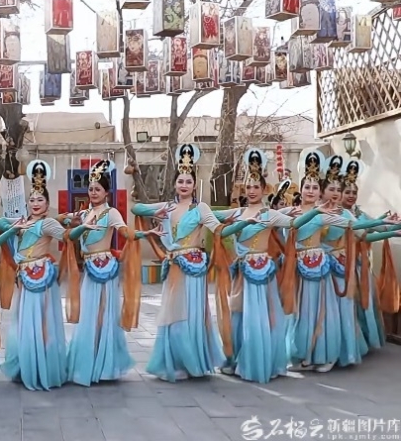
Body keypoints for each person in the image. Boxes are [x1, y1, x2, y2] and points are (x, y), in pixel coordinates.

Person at [131, 145, 251, 382]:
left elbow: (219, 230)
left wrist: (244, 223)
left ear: (195, 185)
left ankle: (192, 361)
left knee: (192, 314)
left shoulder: (200, 209)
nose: (184, 185)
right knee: (172, 313)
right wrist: (157, 212)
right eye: (180, 181)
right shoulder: (168, 207)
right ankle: (176, 361)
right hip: (175, 267)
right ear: (175, 184)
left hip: (194, 269)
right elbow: (137, 208)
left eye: (188, 181)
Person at [212, 149, 320, 383]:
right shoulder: (238, 212)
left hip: (262, 272)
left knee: (260, 317)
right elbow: (212, 217)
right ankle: (235, 359)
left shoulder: (270, 214)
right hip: (242, 272)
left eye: (255, 187)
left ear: (264, 189)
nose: (251, 190)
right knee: (237, 314)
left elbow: (294, 223)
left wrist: (316, 211)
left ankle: (258, 362)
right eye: (248, 187)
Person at [285, 151, 396, 373]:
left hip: (328, 268)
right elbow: (272, 221)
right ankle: (308, 355)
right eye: (308, 187)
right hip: (303, 268)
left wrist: (388, 226)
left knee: (329, 313)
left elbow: (358, 229)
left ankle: (329, 354)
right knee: (303, 314)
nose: (336, 193)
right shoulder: (296, 211)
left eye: (315, 187)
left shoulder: (333, 214)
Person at [62, 160, 161, 387]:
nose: (93, 192)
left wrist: (147, 233)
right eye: (90, 188)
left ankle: (103, 364)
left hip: (104, 269)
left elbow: (126, 233)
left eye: (98, 189)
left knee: (102, 315)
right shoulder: (84, 213)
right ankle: (89, 362)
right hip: (89, 269)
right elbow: (66, 227)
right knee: (88, 316)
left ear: (106, 192)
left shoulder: (111, 212)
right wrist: (72, 222)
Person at [0, 160, 69, 391]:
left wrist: (71, 223)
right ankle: (28, 365)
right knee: (25, 321)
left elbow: (67, 237)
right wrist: (15, 227)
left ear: (47, 204)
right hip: (24, 276)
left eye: (40, 200)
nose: (35, 203)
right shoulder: (22, 223)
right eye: (32, 200)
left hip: (41, 275)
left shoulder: (48, 223)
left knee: (42, 321)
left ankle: (43, 366)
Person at [341, 158, 401, 351]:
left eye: (354, 192)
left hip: (363, 265)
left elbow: (378, 226)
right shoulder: (339, 215)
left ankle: (364, 341)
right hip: (345, 266)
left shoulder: (359, 213)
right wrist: (392, 231)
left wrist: (394, 225)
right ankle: (352, 344)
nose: (351, 196)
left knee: (365, 303)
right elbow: (365, 236)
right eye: (347, 192)